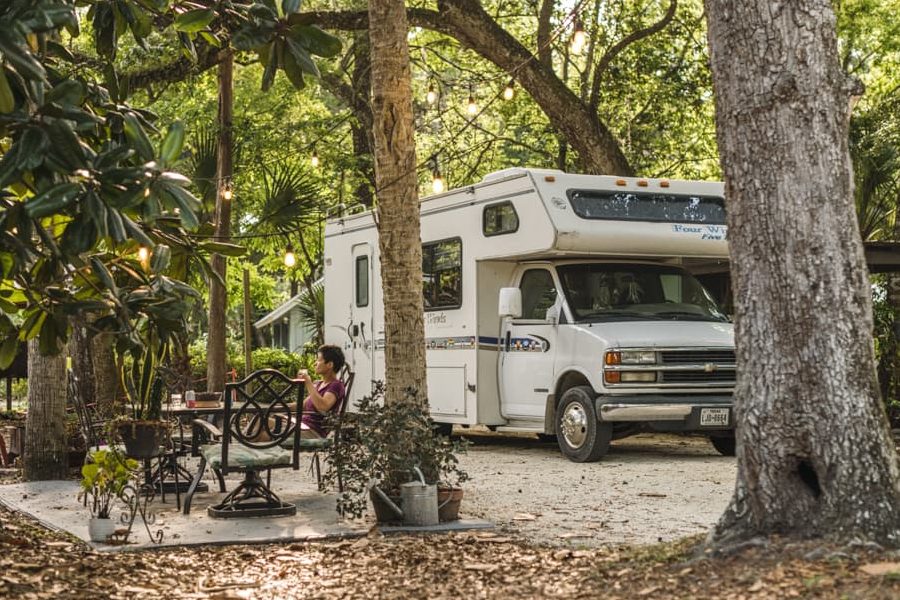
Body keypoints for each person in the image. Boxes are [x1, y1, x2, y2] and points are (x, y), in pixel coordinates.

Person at [295, 345, 346, 439]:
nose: (315, 363)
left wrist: (308, 383)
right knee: (261, 420)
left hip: (312, 431)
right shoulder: (318, 384)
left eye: (318, 360)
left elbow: (323, 407)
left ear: (329, 365)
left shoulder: (336, 385)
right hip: (301, 425)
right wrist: (276, 407)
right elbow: (302, 405)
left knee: (263, 429)